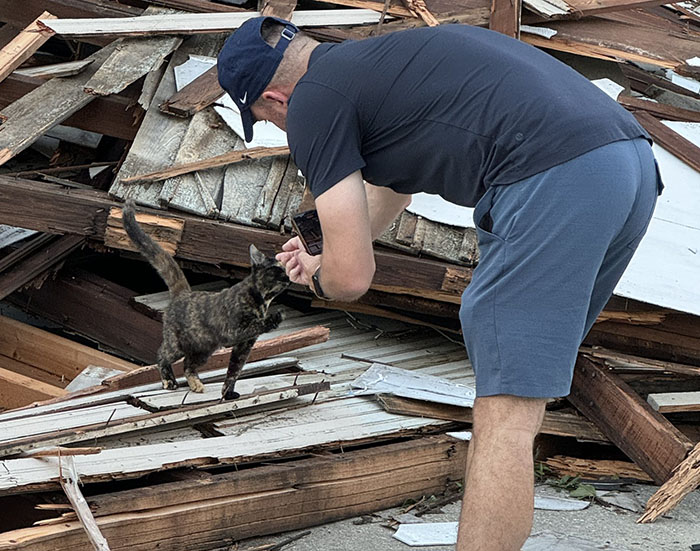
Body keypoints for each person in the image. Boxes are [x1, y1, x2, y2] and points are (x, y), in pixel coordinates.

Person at [217, 17, 662, 550]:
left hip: (552, 176)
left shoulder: (312, 103)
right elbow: (389, 192)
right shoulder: (376, 65)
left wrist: (323, 282)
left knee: (505, 413)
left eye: (264, 118)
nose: (276, 131)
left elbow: (353, 279)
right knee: (523, 394)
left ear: (274, 96)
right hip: (625, 164)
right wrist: (319, 252)